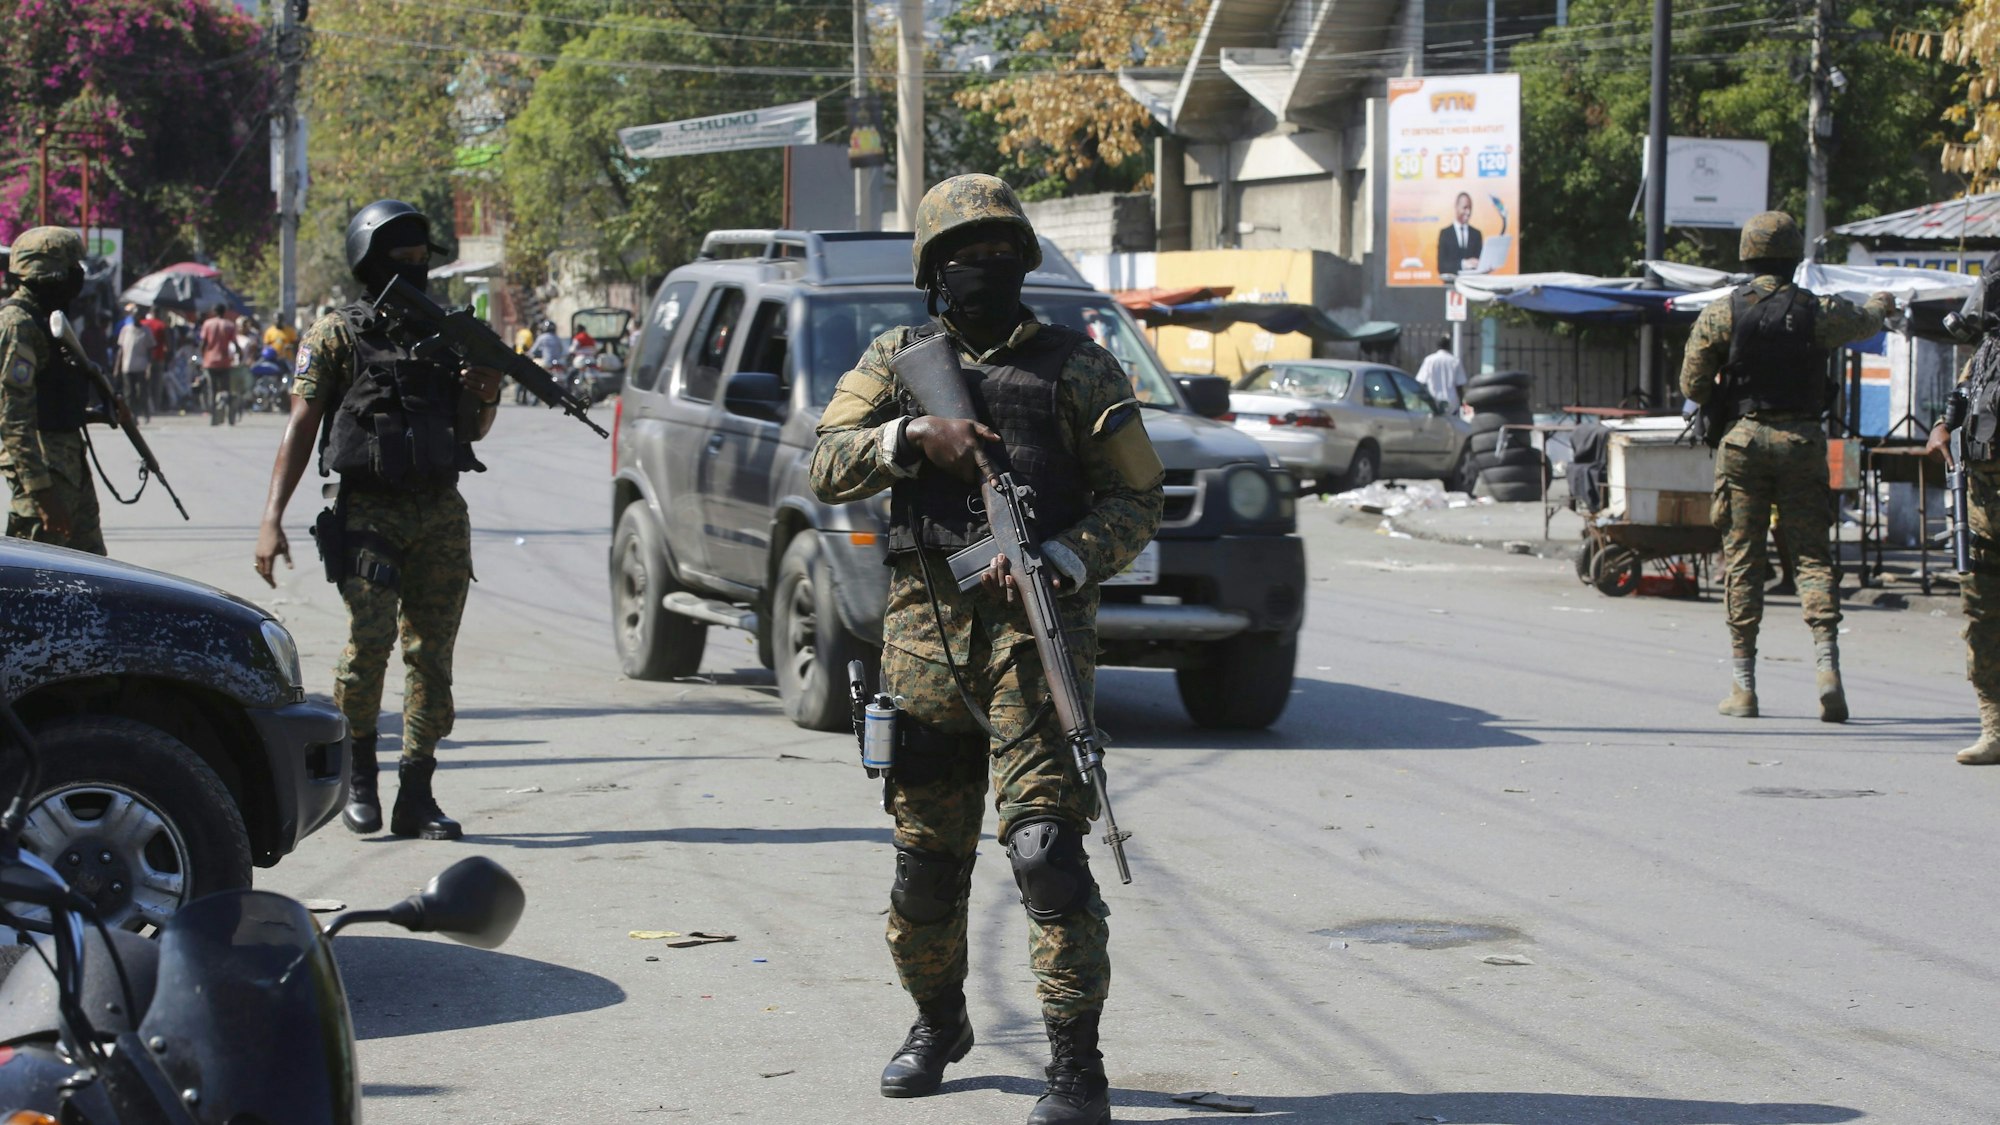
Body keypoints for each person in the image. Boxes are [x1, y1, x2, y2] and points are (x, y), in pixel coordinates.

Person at [811, 173, 1165, 1125]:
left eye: (1004, 252)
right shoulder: (896, 359)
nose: (988, 268)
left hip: (1034, 647)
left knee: (1048, 849)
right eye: (968, 255)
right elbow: (824, 460)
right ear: (934, 270)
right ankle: (938, 1023)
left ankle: (1075, 1065)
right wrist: (910, 437)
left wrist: (1061, 555)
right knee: (925, 861)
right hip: (924, 650)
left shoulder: (1078, 367)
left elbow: (1140, 497)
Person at [253, 199, 505, 841]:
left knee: (432, 658)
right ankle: (359, 779)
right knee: (368, 648)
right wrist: (271, 516)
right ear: (370, 261)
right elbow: (302, 424)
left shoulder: (451, 334)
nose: (417, 268)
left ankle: (416, 792)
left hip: (442, 511)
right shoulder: (336, 333)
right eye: (403, 258)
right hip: (368, 510)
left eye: (424, 258)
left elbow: (472, 430)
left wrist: (487, 393)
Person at [1679, 210, 1892, 722]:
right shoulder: (1817, 310)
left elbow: (1693, 385)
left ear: (1748, 256)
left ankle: (1744, 686)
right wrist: (1880, 302)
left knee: (1743, 559)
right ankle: (1827, 672)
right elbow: (1866, 320)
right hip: (1802, 440)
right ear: (1795, 257)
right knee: (1812, 556)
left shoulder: (1722, 312)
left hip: (1743, 444)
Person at [0, 227, 118, 555]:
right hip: (46, 475)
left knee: (91, 573)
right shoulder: (19, 324)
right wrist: (41, 492)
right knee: (37, 581)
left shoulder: (49, 320)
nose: (77, 277)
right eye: (70, 268)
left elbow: (50, 394)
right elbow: (13, 419)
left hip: (69, 466)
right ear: (47, 272)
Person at [1925, 257, 2000, 763]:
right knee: (1983, 617)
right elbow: (1962, 398)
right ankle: (1994, 728)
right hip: (1982, 509)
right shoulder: (1988, 349)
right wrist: (1942, 427)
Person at [198, 304, 235, 424]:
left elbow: (203, 343)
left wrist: (202, 357)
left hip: (210, 361)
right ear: (224, 312)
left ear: (214, 311)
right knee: (226, 389)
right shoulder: (229, 325)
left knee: (212, 390)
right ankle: (229, 416)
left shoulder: (208, 324)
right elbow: (235, 344)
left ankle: (213, 417)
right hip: (224, 361)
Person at [116, 309, 154, 421]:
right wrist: (116, 367)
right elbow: (121, 350)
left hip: (141, 366)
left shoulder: (146, 331)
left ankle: (145, 412)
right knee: (129, 393)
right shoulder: (126, 330)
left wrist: (149, 366)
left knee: (141, 392)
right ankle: (132, 415)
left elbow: (150, 350)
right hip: (127, 366)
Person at [1414, 334, 1467, 413]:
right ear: (1449, 346)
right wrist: (1461, 402)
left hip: (1433, 400)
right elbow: (1459, 385)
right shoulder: (1455, 361)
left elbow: (1421, 381)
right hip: (1451, 401)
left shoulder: (1429, 360)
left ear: (1437, 346)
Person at [1436, 192, 1484, 276]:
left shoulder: (1476, 234)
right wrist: (1463, 264)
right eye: (1465, 208)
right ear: (1456, 207)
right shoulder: (1445, 234)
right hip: (1452, 285)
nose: (1468, 212)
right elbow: (1442, 266)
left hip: (1471, 284)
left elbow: (1480, 263)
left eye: (1470, 208)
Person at [527, 319, 565, 404]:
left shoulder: (542, 337)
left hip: (547, 362)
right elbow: (562, 350)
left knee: (532, 367)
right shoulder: (557, 338)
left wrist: (528, 354)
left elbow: (532, 351)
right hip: (558, 362)